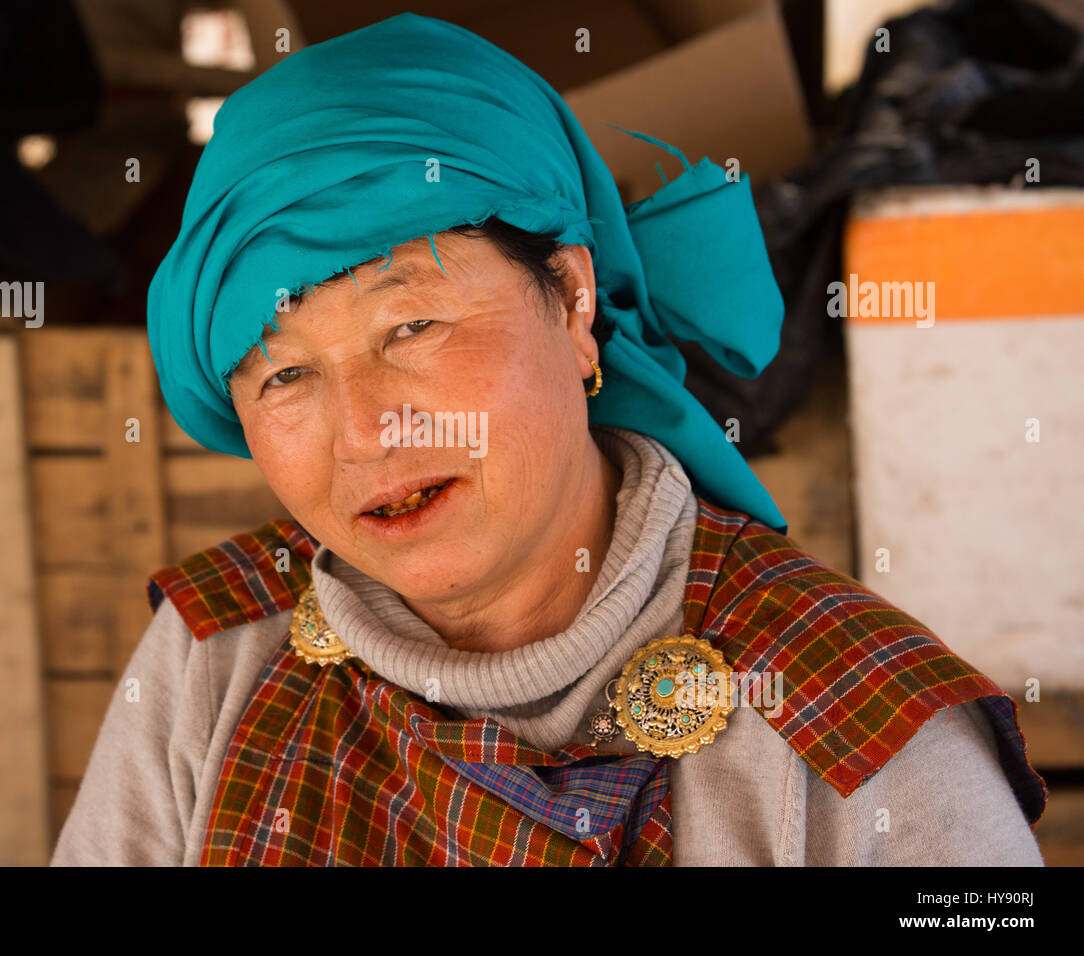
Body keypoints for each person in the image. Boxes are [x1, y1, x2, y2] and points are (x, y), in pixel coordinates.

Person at [51, 13, 1045, 866]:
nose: (363, 432)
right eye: (284, 374)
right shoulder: (217, 651)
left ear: (571, 299)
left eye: (411, 327)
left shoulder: (862, 733)